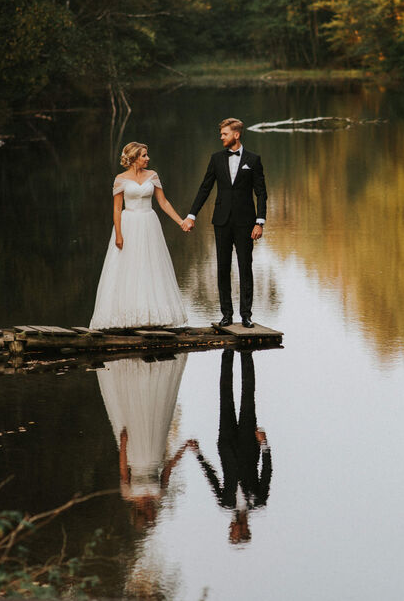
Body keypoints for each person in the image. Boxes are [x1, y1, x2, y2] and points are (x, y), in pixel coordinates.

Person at [90, 142, 188, 329]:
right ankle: (125, 317)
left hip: (149, 224)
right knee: (128, 268)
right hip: (129, 224)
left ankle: (153, 316)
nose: (148, 158)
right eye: (144, 155)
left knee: (151, 267)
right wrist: (118, 234)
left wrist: (181, 221)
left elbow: (163, 202)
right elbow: (117, 209)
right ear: (134, 158)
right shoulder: (120, 179)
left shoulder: (153, 176)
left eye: (147, 155)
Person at [180, 118, 267, 328]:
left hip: (246, 223)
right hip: (221, 221)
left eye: (224, 134)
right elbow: (205, 188)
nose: (221, 137)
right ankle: (226, 315)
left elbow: (261, 193)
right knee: (223, 267)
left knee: (246, 267)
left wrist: (260, 222)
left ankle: (246, 315)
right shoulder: (216, 159)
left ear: (236, 135)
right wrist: (192, 215)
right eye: (221, 134)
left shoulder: (253, 160)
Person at [97, 353, 189, 528]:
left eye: (151, 515)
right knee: (150, 416)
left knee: (139, 418)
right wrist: (184, 448)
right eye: (154, 515)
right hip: (155, 450)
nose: (154, 512)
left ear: (142, 513)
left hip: (136, 455)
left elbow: (123, 468)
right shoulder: (159, 493)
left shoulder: (129, 493)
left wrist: (123, 443)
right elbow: (168, 468)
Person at [189, 349, 271, 544]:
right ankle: (246, 353)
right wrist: (264, 444)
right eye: (233, 531)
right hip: (249, 445)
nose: (230, 527)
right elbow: (266, 472)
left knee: (225, 397)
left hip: (226, 444)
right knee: (247, 398)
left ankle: (227, 352)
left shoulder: (225, 503)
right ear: (244, 529)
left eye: (230, 530)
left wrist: (198, 453)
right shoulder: (258, 501)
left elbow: (213, 478)